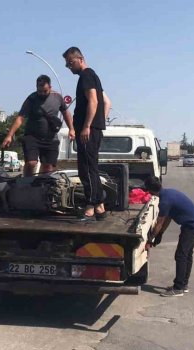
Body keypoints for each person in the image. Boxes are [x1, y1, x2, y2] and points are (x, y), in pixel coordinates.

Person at [63, 46, 112, 220]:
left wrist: (87, 126)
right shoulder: (93, 76)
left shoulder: (86, 76)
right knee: (91, 167)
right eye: (67, 64)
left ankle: (91, 205)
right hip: (93, 129)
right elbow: (107, 102)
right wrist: (99, 122)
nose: (69, 67)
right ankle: (100, 207)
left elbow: (93, 101)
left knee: (87, 169)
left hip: (88, 130)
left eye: (71, 62)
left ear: (80, 59)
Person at [2, 75, 74, 177]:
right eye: (39, 91)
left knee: (48, 166)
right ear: (36, 88)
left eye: (45, 91)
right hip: (32, 137)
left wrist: (71, 129)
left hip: (50, 138)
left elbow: (66, 113)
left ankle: (41, 188)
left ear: (50, 87)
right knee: (31, 163)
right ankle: (26, 183)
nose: (42, 94)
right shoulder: (31, 99)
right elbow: (20, 118)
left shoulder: (57, 97)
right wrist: (9, 135)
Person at [144, 177, 194, 297]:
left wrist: (151, 238)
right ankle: (183, 284)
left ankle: (178, 288)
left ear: (151, 191)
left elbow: (160, 223)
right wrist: (160, 234)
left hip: (191, 226)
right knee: (187, 254)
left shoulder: (164, 201)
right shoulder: (168, 193)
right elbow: (168, 218)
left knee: (181, 255)